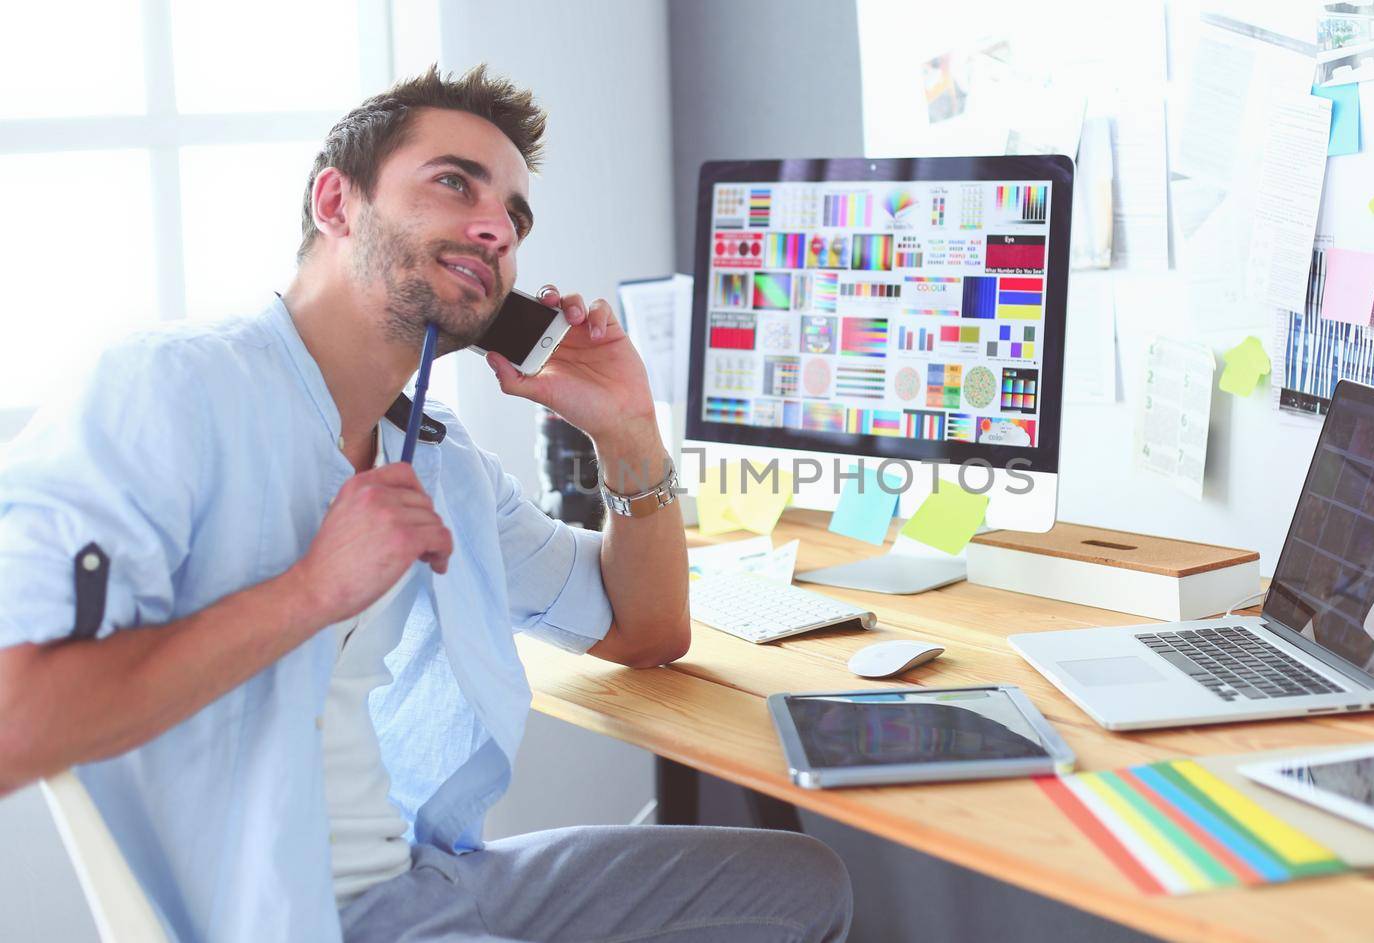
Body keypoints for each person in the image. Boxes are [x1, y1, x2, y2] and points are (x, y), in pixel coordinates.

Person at [0, 64, 851, 942]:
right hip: (295, 918)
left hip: (424, 876)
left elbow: (646, 631)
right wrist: (313, 590)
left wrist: (627, 432)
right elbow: (14, 722)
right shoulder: (170, 389)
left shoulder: (435, 453)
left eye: (516, 220)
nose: (496, 229)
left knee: (801, 882)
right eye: (455, 182)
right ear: (336, 202)